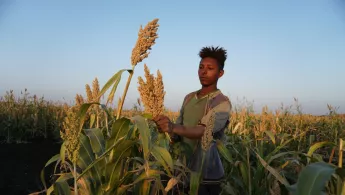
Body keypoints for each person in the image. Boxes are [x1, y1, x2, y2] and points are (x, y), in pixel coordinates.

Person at [154, 46, 232, 195]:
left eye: (210, 68)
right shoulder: (189, 98)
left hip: (206, 173)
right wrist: (165, 129)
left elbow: (204, 131)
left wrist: (172, 127)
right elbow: (177, 131)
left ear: (220, 73)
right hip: (182, 169)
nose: (203, 72)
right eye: (201, 67)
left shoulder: (222, 102)